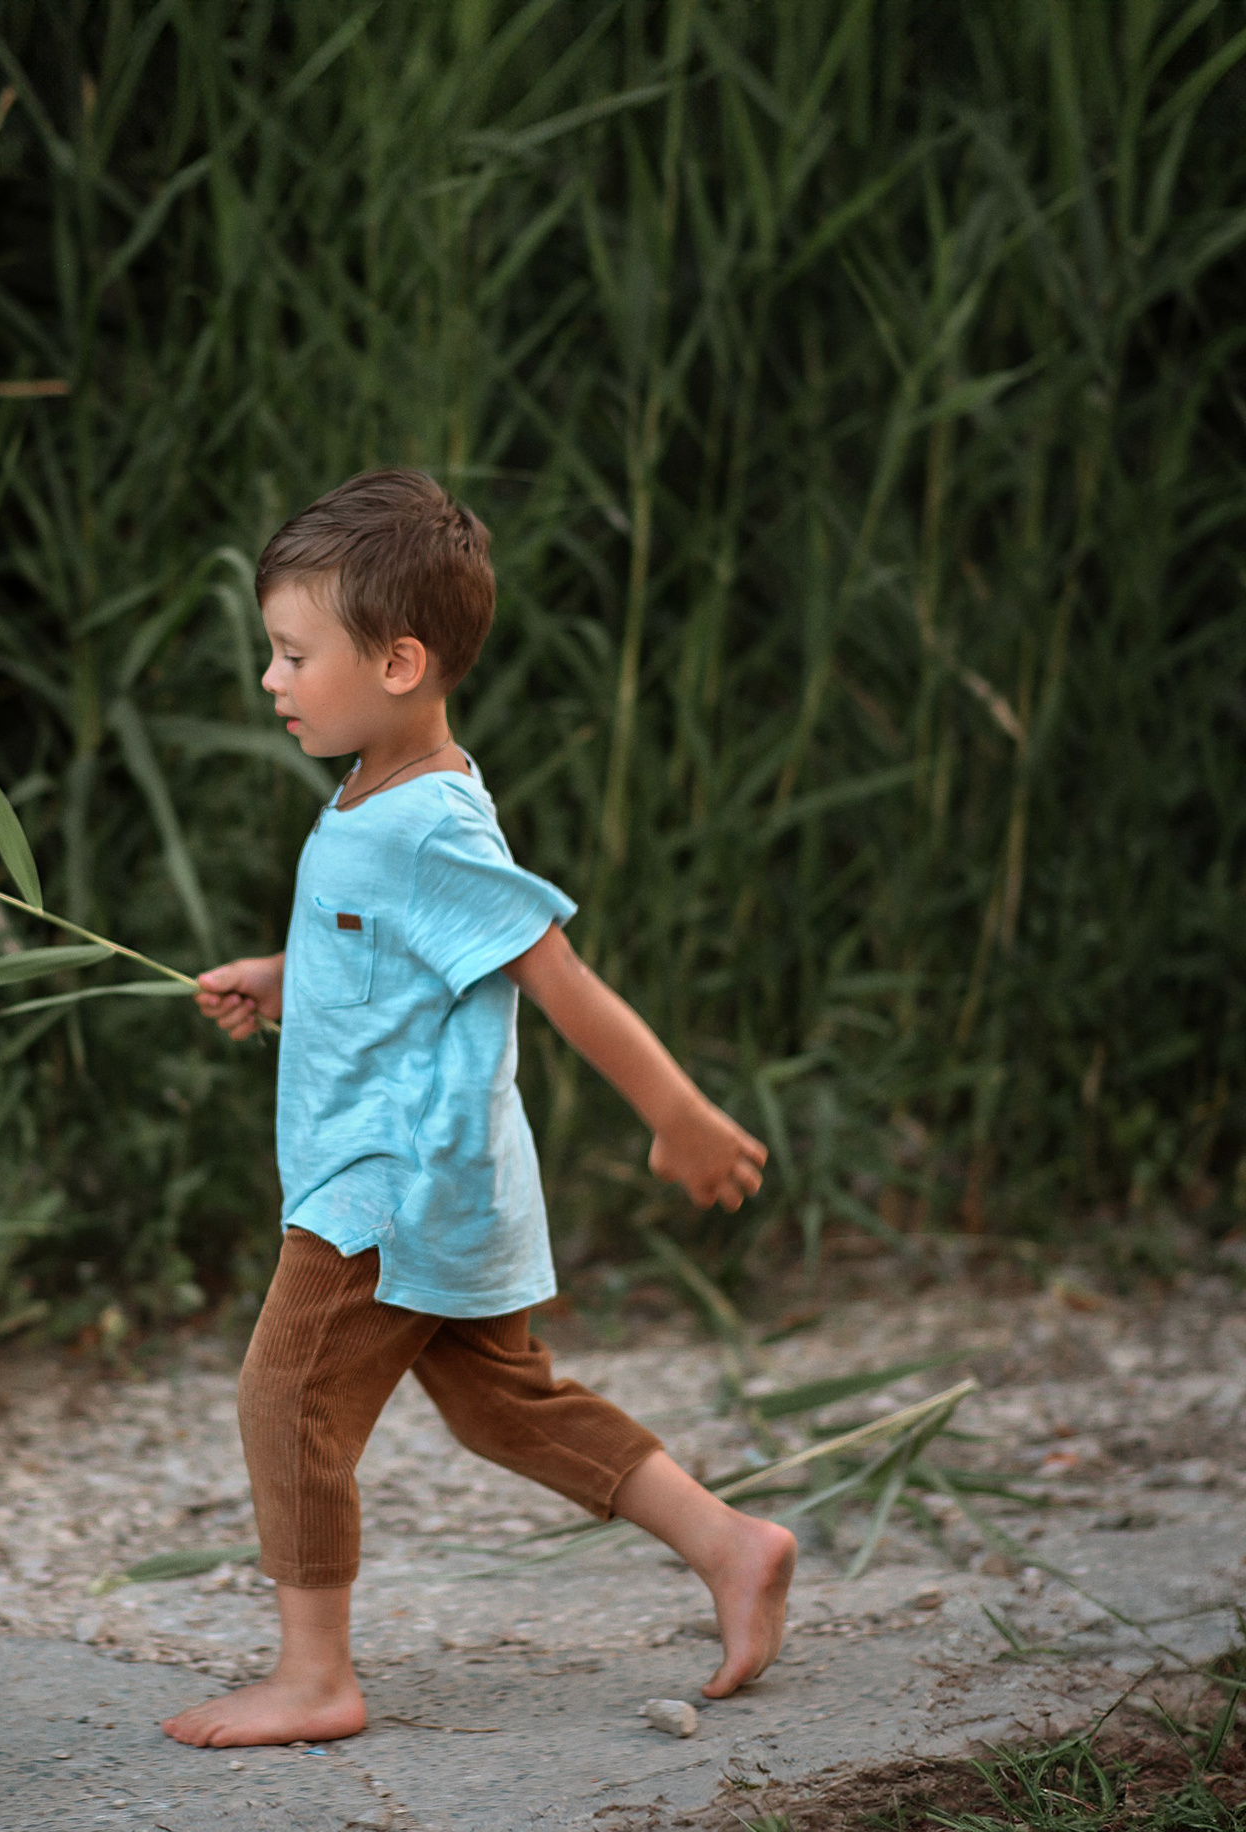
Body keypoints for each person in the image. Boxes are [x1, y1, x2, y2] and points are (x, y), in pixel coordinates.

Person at [163, 468, 796, 1750]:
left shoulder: (428, 825)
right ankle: (731, 1543)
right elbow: (398, 961)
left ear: (398, 661)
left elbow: (549, 971)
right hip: (434, 1179)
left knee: (283, 1401)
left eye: (293, 654)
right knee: (503, 1402)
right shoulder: (377, 795)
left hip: (386, 1187)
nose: (271, 682)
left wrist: (673, 1112)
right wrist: (289, 980)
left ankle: (313, 1676)